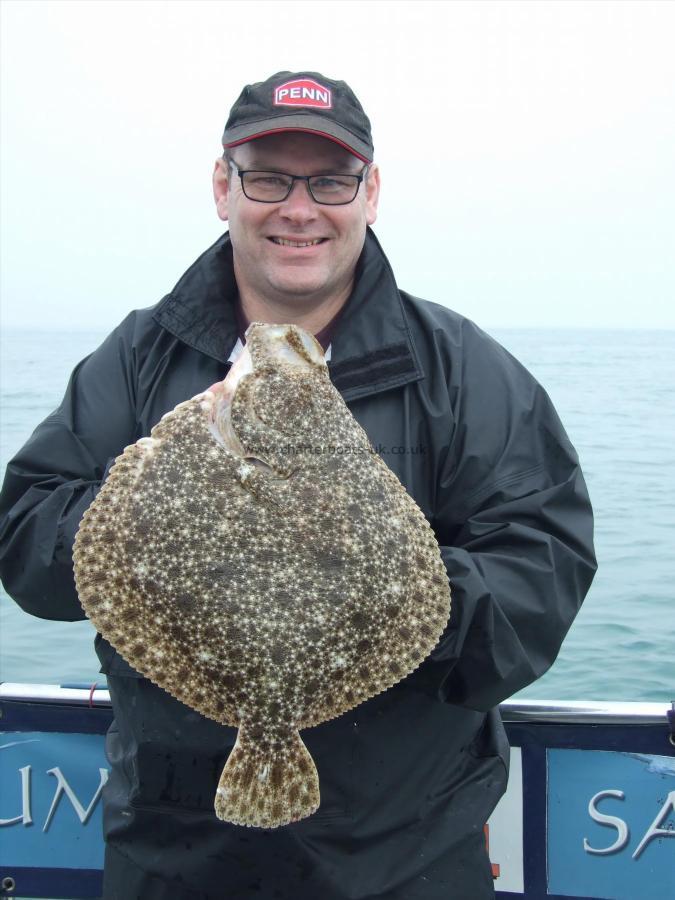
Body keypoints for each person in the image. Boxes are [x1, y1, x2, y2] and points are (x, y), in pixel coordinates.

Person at [0, 71, 596, 899]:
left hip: (405, 857)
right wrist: (150, 513)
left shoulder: (463, 371)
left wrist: (384, 590)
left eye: (329, 181)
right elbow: (26, 536)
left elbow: (543, 574)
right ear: (223, 188)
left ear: (370, 193)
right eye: (269, 178)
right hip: (171, 854)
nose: (299, 208)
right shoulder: (136, 359)